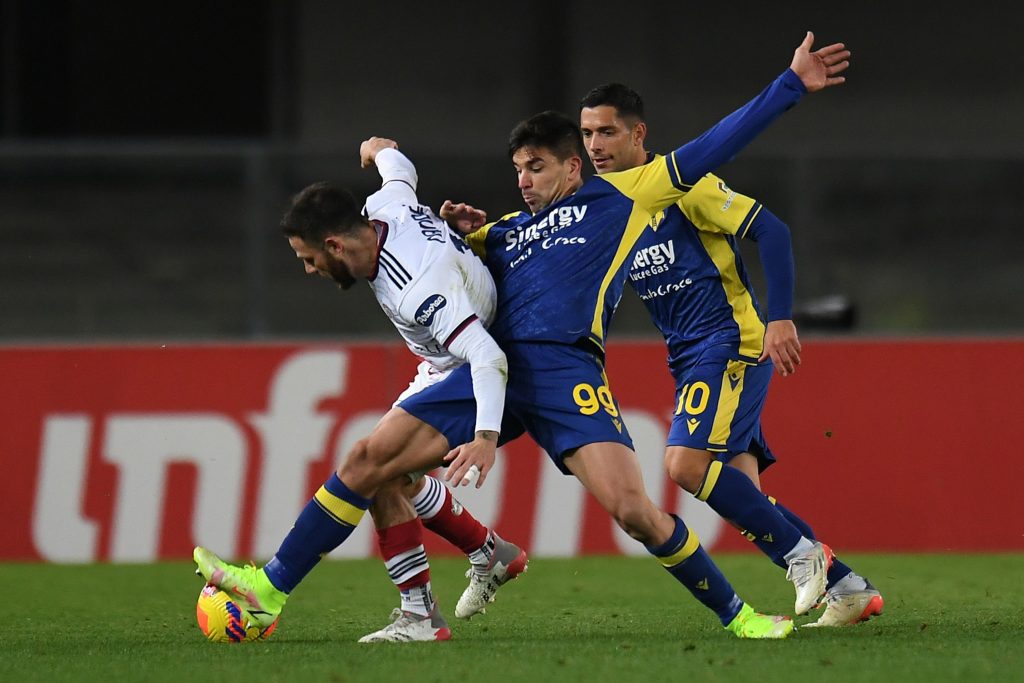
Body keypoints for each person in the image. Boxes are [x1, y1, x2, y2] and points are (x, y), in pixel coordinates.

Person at [195, 31, 847, 641]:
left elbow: (716, 144)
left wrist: (790, 84)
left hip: (568, 373)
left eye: (536, 167)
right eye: (517, 169)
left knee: (634, 511)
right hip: (493, 373)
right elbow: (446, 251)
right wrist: (456, 226)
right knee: (369, 461)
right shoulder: (507, 229)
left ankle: (741, 619)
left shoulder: (624, 195)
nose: (523, 180)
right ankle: (280, 589)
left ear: (572, 167)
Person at [574, 82, 883, 626]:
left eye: (607, 131)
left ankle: (804, 556)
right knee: (744, 494)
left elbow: (773, 229)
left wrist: (780, 318)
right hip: (688, 354)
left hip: (730, 341)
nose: (595, 144)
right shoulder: (609, 207)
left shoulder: (681, 184)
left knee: (684, 465)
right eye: (587, 133)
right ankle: (849, 588)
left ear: (637, 133)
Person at [197, 137, 527, 643]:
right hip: (442, 364)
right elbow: (399, 167)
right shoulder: (384, 205)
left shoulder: (419, 285)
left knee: (363, 464)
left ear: (335, 244)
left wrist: (485, 436)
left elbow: (488, 357)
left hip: (475, 367)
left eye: (309, 258)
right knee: (383, 478)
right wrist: (377, 149)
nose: (309, 271)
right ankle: (480, 559)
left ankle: (270, 586)